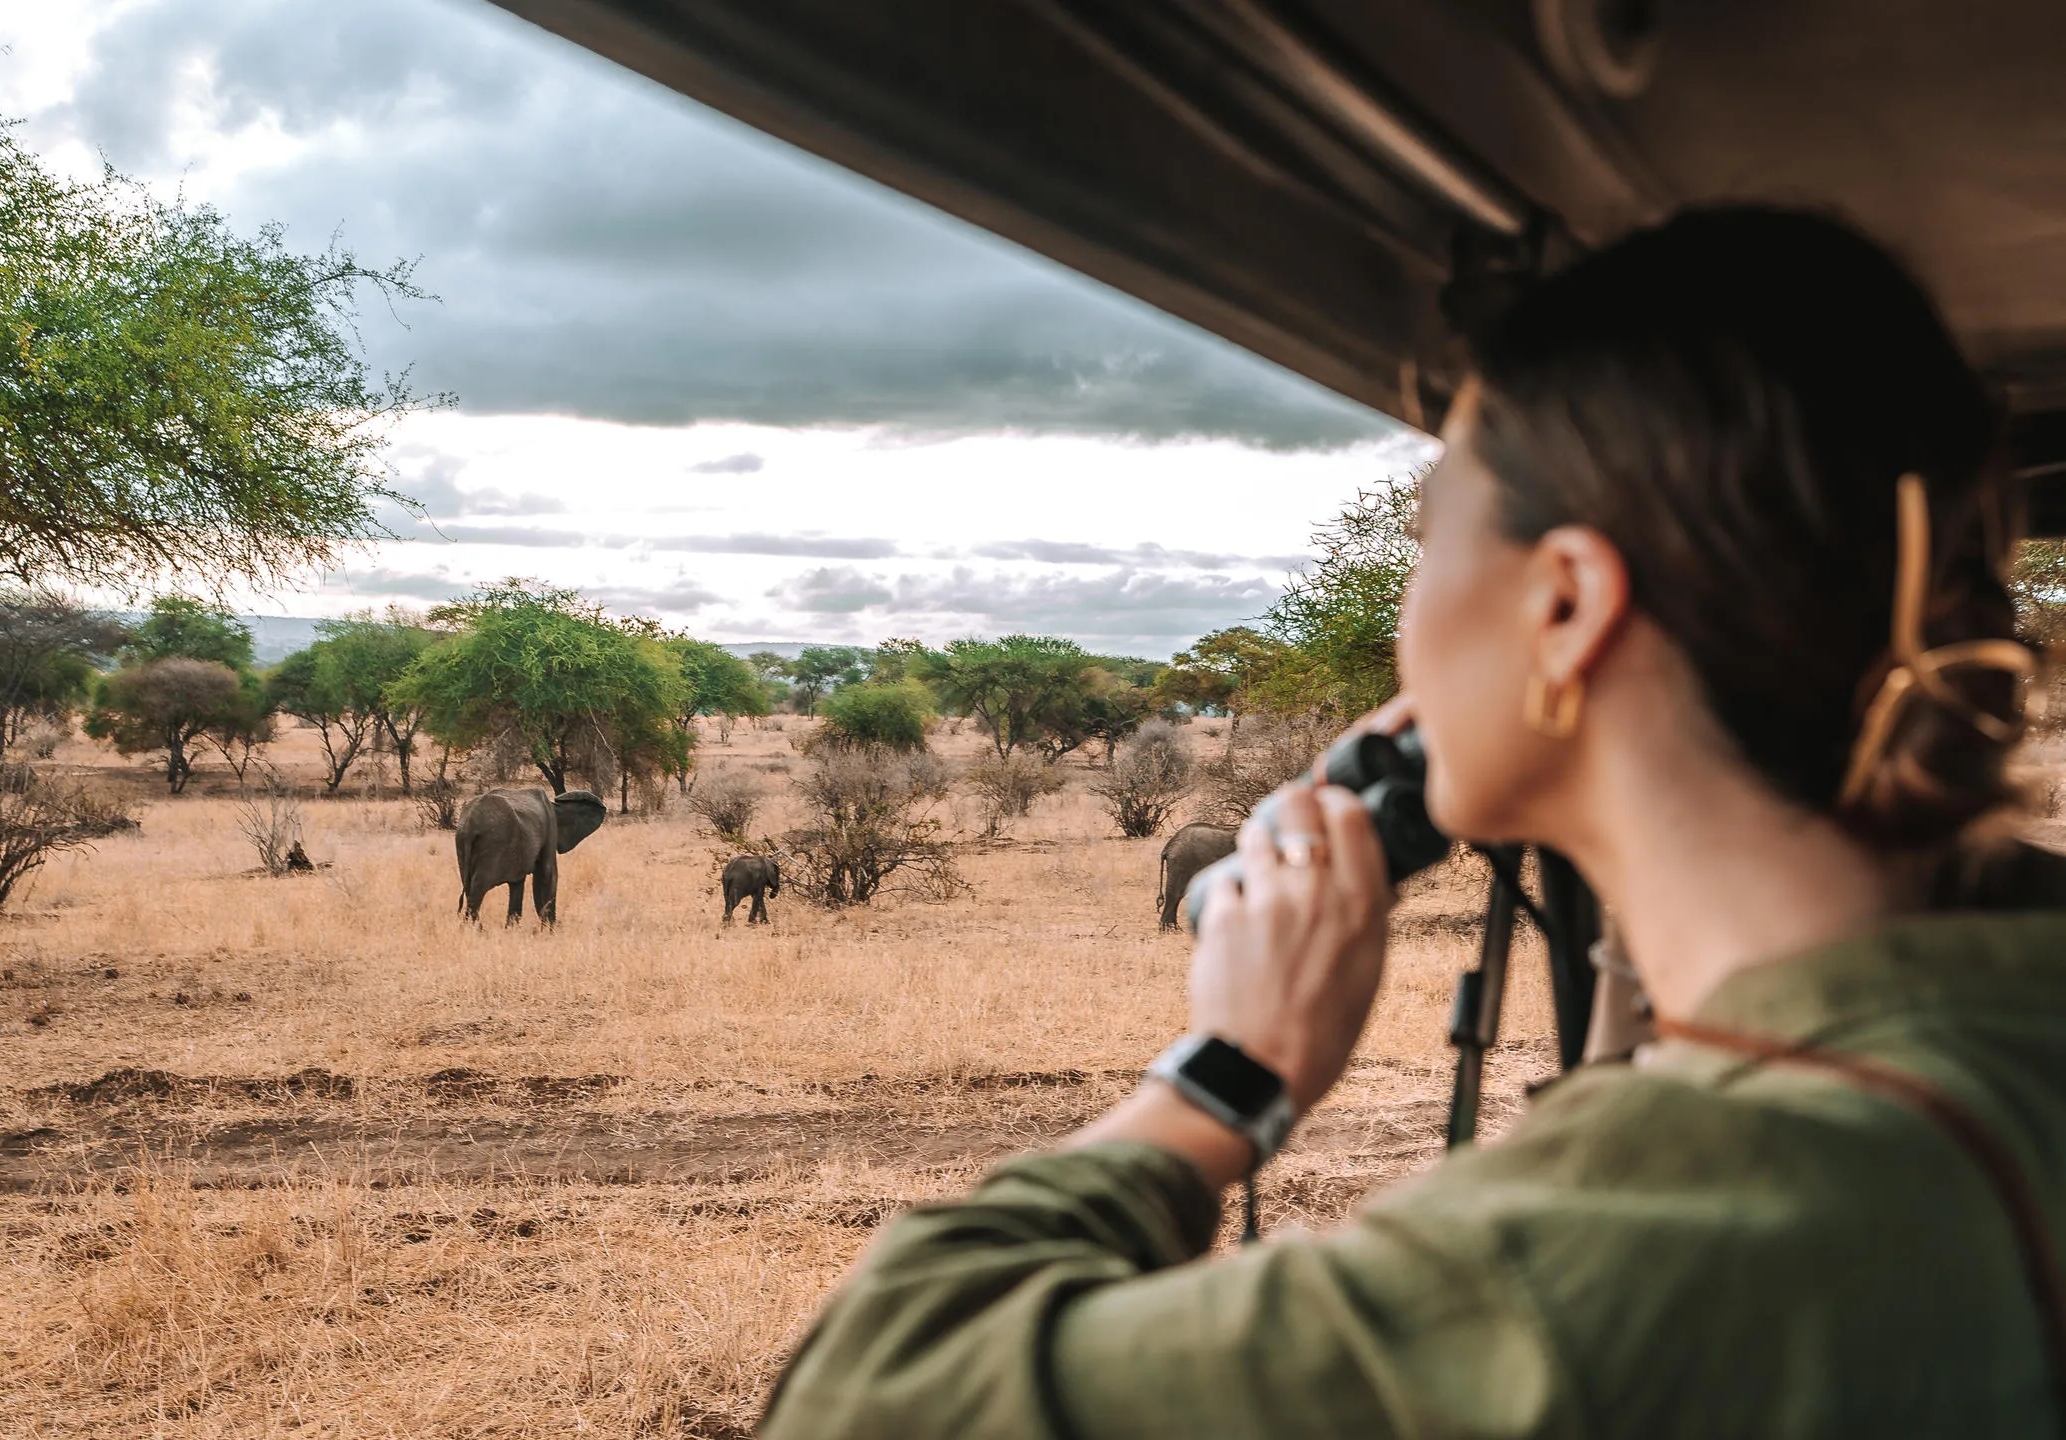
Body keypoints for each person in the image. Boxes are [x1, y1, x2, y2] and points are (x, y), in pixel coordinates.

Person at [757, 207, 2066, 1437]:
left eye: (1430, 540)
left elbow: (877, 1395)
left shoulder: (1610, 1252)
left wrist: (1229, 1072)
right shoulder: (2001, 1024)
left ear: (1565, 607)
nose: (1406, 630)